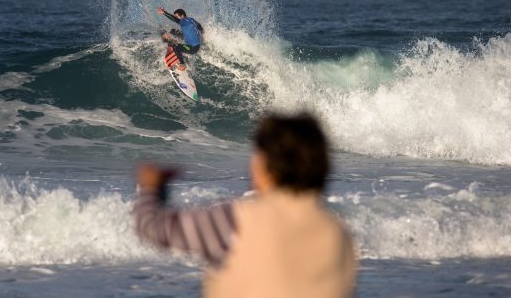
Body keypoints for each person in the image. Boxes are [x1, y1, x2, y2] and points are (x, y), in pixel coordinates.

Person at [133, 113, 356, 298]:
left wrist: (151, 188)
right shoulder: (339, 234)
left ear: (267, 165)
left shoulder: (236, 220)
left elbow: (151, 227)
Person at [157, 6, 203, 71]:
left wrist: (164, 13)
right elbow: (199, 26)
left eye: (177, 16)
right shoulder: (191, 19)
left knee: (176, 47)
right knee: (173, 31)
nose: (176, 18)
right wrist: (202, 33)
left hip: (193, 48)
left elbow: (175, 19)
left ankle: (182, 64)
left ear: (182, 16)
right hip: (194, 41)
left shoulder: (183, 21)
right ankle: (172, 42)